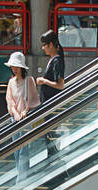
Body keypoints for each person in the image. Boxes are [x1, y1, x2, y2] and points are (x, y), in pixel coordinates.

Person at [5, 50, 40, 181]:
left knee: (24, 150)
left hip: (25, 120)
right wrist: (15, 113)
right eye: (13, 67)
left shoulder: (29, 81)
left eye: (16, 66)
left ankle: (22, 179)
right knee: (16, 150)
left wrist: (25, 111)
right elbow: (10, 101)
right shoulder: (11, 82)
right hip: (15, 120)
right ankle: (20, 175)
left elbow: (34, 100)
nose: (14, 69)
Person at [37, 30, 67, 158]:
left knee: (50, 135)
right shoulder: (54, 60)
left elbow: (60, 85)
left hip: (51, 104)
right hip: (49, 104)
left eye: (44, 45)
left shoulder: (57, 61)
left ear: (50, 45)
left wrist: (44, 81)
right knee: (49, 135)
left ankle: (54, 159)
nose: (43, 48)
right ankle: (53, 157)